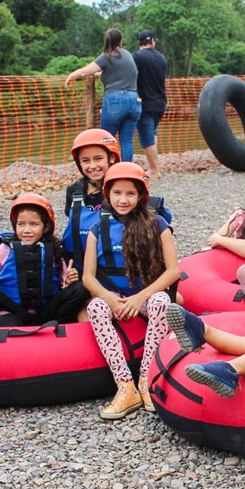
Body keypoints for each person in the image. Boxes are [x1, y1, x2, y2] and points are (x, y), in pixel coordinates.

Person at [82, 162, 179, 420]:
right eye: (117, 193)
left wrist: (140, 297)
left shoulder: (157, 224)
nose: (123, 200)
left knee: (161, 301)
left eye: (130, 194)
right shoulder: (96, 230)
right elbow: (88, 277)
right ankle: (126, 386)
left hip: (144, 297)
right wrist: (110, 299)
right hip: (114, 297)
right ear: (108, 195)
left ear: (140, 196)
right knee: (94, 307)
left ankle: (146, 379)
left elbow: (172, 272)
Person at [0, 194, 88, 326]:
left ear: (45, 227)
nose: (27, 230)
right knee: (3, 325)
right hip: (13, 312)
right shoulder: (4, 250)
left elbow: (63, 282)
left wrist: (69, 280)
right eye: (21, 224)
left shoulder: (54, 250)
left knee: (80, 289)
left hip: (45, 312)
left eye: (34, 224)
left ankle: (55, 326)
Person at [65, 29, 140, 161]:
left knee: (106, 138)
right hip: (134, 100)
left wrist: (72, 75)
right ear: (120, 41)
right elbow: (118, 74)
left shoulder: (107, 56)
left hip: (115, 101)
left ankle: (108, 170)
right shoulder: (128, 55)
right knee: (127, 140)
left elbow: (85, 71)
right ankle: (125, 170)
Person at [63, 128, 119, 277]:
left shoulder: (123, 191)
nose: (92, 166)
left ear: (111, 157)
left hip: (115, 268)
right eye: (85, 161)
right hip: (80, 268)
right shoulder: (73, 192)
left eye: (98, 158)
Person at [133, 29, 168, 177]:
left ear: (139, 42)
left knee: (146, 138)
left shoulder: (136, 57)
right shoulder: (161, 58)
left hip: (145, 102)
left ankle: (154, 170)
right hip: (160, 102)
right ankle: (154, 166)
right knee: (152, 134)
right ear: (152, 41)